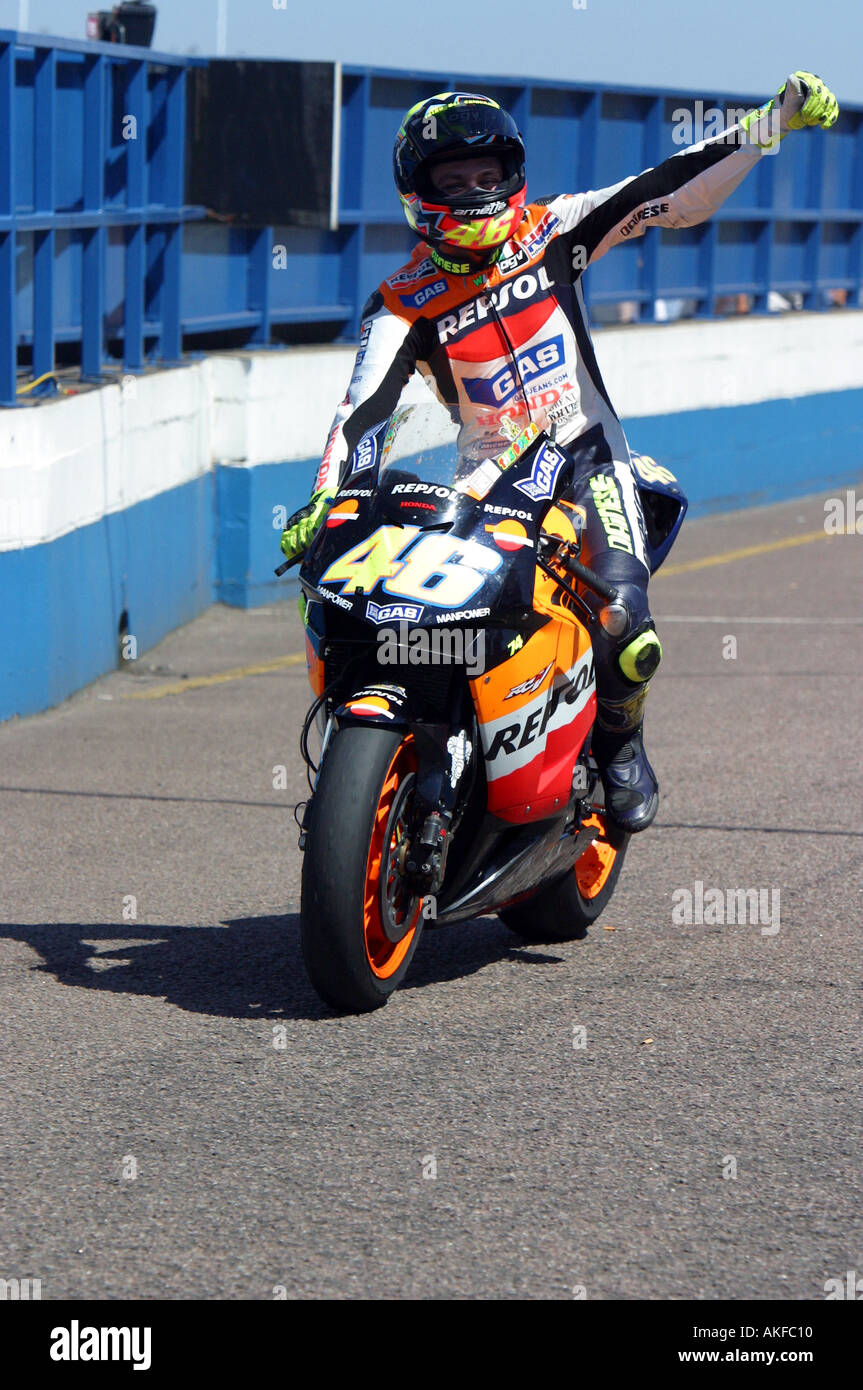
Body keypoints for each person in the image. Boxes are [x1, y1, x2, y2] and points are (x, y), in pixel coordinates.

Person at [281, 73, 838, 832]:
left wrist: (769, 123)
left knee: (626, 625)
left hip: (585, 459)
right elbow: (362, 413)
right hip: (483, 480)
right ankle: (447, 761)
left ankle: (619, 743)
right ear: (418, 190)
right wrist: (326, 499)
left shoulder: (556, 231)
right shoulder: (400, 301)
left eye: (488, 175)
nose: (476, 191)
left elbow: (670, 190)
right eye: (455, 179)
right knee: (429, 620)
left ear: (513, 175)